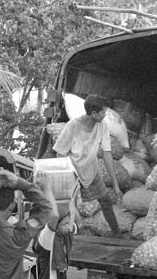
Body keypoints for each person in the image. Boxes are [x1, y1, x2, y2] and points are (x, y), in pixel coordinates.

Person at [53, 94, 123, 237]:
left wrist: (116, 185)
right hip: (73, 173)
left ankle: (117, 233)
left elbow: (107, 153)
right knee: (69, 208)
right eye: (103, 112)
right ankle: (70, 235)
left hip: (91, 170)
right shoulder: (73, 126)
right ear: (94, 113)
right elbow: (60, 154)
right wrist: (67, 179)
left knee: (105, 200)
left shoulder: (102, 125)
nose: (105, 115)